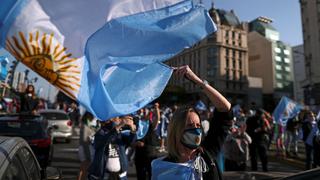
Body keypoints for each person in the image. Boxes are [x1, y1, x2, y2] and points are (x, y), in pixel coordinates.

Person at [151, 65, 232, 180]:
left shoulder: (207, 154)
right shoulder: (160, 166)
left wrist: (197, 81)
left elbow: (225, 110)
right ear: (177, 129)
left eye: (198, 125)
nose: (196, 129)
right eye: (190, 125)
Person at [134, 103, 161, 180]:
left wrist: (156, 108)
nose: (143, 113)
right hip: (139, 154)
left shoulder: (151, 124)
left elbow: (157, 117)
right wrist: (135, 143)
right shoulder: (136, 123)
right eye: (142, 111)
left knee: (151, 175)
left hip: (150, 154)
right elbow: (131, 140)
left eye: (145, 111)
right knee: (140, 175)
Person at [78, 112, 96, 180]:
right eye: (93, 115)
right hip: (85, 147)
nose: (94, 117)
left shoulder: (86, 124)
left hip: (83, 147)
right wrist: (88, 154)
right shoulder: (85, 125)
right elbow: (85, 140)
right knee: (84, 168)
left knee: (83, 168)